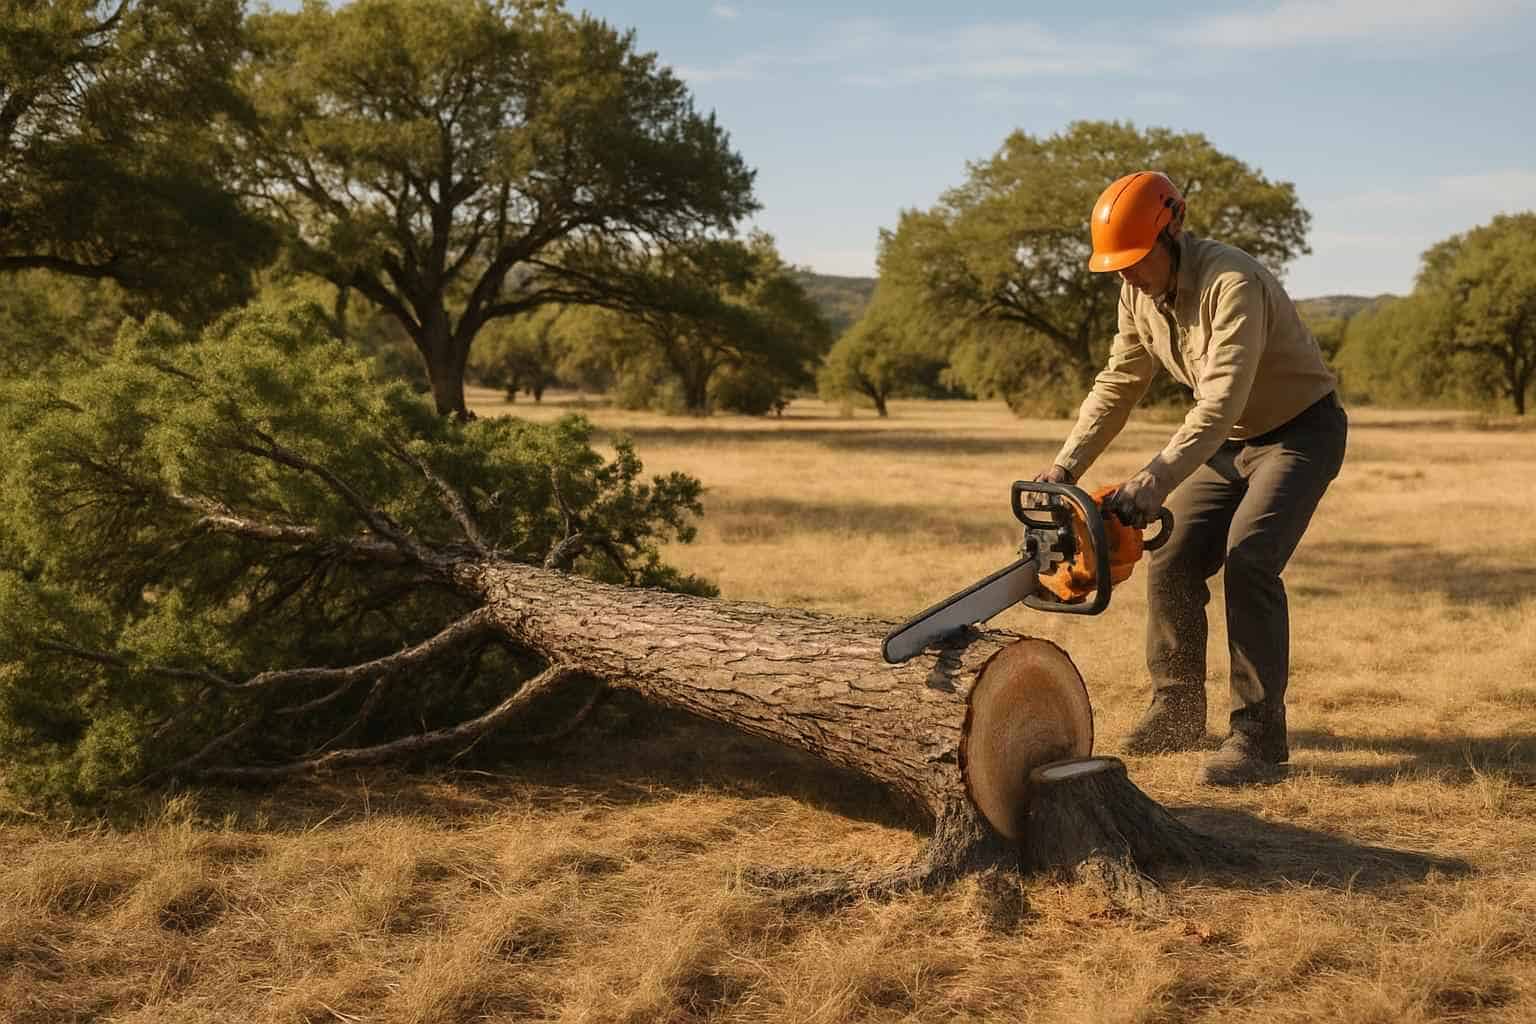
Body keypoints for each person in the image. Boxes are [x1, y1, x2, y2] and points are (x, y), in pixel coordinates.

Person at [1035, 170, 1347, 786]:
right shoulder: (1135, 293)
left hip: (1298, 433)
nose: (1126, 275)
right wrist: (1065, 465)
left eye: (1135, 260)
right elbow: (1120, 381)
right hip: (1230, 444)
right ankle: (1175, 710)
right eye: (1116, 265)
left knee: (1251, 558)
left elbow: (1220, 401)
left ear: (1172, 229)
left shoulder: (1232, 283)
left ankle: (1256, 738)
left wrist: (1156, 478)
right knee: (1172, 555)